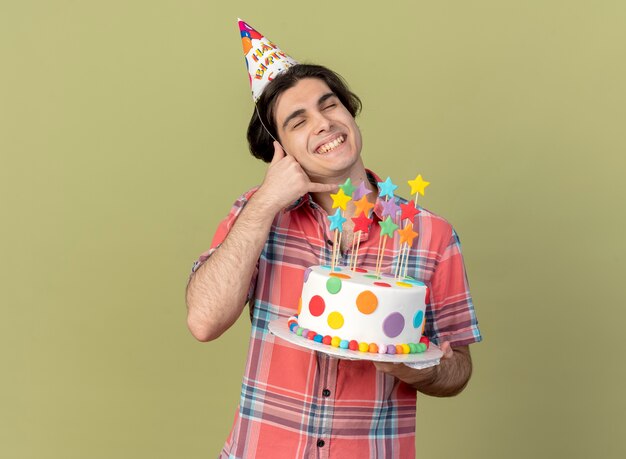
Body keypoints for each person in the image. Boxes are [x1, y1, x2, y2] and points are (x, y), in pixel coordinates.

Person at [186, 20, 481, 458]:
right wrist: (265, 202)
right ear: (278, 148)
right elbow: (204, 322)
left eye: (330, 106)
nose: (324, 124)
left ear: (350, 112)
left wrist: (415, 367)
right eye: (298, 121)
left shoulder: (430, 234)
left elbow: (457, 370)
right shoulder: (255, 216)